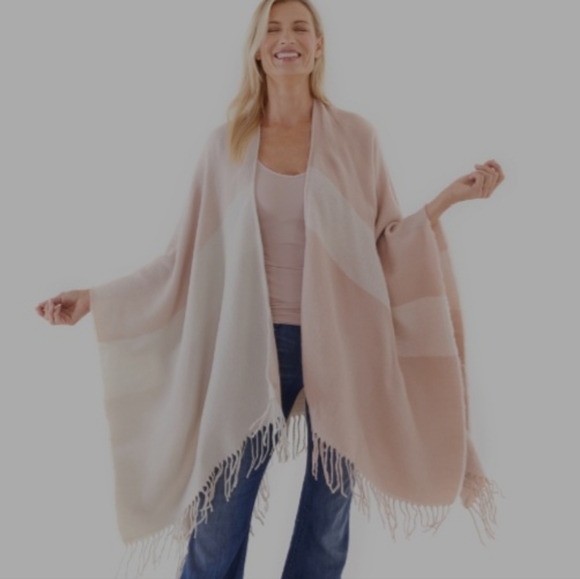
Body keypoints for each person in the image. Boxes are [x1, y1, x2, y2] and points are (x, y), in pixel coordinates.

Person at [36, 1, 504, 578]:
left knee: (327, 527)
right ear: (257, 50)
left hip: (343, 346)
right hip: (252, 347)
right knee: (218, 524)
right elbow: (184, 260)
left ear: (319, 46)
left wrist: (447, 200)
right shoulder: (228, 145)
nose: (288, 38)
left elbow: (386, 243)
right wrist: (95, 299)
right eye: (273, 29)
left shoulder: (356, 138)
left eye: (300, 28)